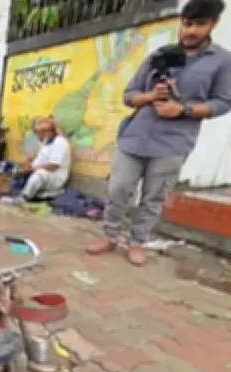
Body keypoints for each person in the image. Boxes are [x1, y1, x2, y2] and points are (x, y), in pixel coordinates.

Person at [87, 0, 231, 266]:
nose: (190, 31)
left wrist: (183, 109)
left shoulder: (222, 61)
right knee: (118, 189)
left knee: (154, 196)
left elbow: (223, 102)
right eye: (187, 24)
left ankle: (138, 241)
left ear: (213, 24)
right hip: (135, 136)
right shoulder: (160, 55)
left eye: (199, 25)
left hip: (173, 144)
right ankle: (110, 235)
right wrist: (151, 95)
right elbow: (129, 96)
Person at [14, 117, 71, 202]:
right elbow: (38, 160)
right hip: (42, 173)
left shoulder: (60, 142)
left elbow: (54, 165)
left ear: (47, 131)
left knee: (39, 175)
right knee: (16, 169)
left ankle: (24, 197)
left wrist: (32, 169)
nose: (37, 135)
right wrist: (26, 166)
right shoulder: (46, 142)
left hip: (55, 178)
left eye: (38, 132)